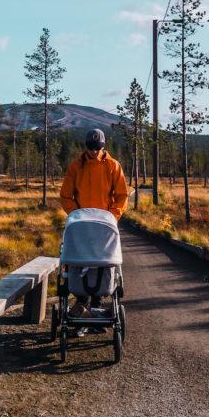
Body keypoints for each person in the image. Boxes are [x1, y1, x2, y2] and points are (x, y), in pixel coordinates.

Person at [60, 128, 128, 334]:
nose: (94, 152)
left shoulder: (113, 166)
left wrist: (112, 217)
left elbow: (122, 195)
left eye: (97, 148)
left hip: (104, 226)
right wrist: (76, 216)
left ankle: (95, 308)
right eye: (91, 148)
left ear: (103, 146)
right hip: (81, 225)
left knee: (102, 263)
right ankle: (82, 308)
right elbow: (66, 196)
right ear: (86, 146)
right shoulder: (76, 166)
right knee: (80, 262)